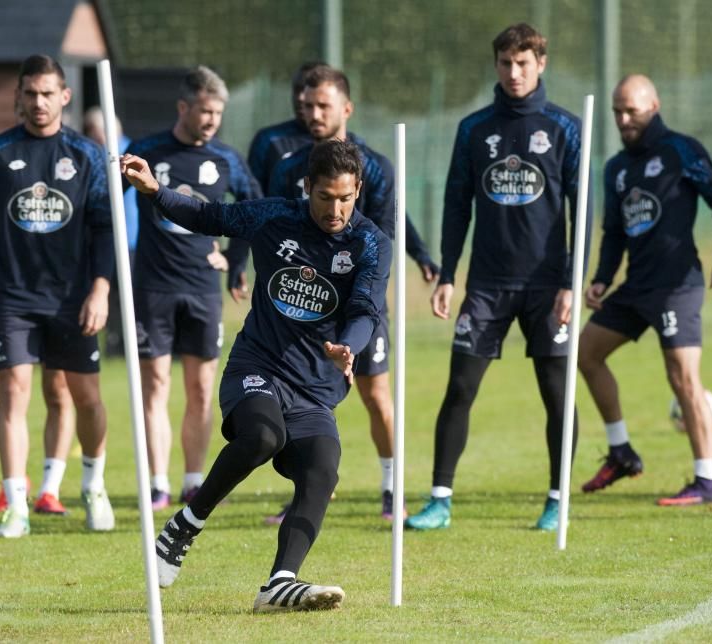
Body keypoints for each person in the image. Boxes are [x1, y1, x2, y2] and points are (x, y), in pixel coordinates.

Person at [120, 139, 390, 611]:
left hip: (315, 388)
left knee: (323, 469)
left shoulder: (370, 242)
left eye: (346, 198)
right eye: (326, 197)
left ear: (358, 190)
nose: (335, 209)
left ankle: (280, 583)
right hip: (258, 367)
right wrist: (154, 191)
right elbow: (210, 218)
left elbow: (367, 307)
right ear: (309, 188)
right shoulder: (275, 217)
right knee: (263, 436)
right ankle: (187, 522)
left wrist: (350, 345)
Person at [404, 23, 586, 533]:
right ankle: (440, 499)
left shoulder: (566, 128)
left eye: (523, 63)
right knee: (460, 387)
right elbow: (456, 204)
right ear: (496, 65)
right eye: (505, 63)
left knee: (556, 392)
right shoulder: (474, 128)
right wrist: (447, 272)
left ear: (541, 63)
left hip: (548, 287)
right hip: (486, 285)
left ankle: (556, 498)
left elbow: (582, 208)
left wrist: (572, 281)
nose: (514, 73)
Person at [268, 64, 439, 521]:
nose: (313, 114)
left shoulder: (375, 167)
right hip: (306, 303)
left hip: (360, 302)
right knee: (302, 399)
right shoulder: (294, 167)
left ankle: (390, 487)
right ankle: (306, 489)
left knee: (375, 394)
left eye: (323, 105)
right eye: (306, 106)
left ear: (346, 107)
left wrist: (422, 258)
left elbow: (388, 228)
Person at [0, 54, 115, 537]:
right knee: (13, 393)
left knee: (84, 396)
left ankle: (93, 485)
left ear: (65, 96)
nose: (38, 103)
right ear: (19, 96)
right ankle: (17, 504)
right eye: (30, 94)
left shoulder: (87, 155)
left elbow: (104, 229)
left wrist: (100, 289)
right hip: (13, 295)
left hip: (72, 297)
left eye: (48, 94)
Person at [577, 74, 712, 506]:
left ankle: (707, 482)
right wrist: (601, 279)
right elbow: (614, 232)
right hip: (636, 287)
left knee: (683, 377)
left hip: (677, 285)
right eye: (617, 111)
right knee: (585, 353)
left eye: (632, 110)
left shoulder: (681, 150)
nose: (623, 119)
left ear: (654, 105)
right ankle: (621, 451)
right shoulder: (616, 168)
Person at [125, 66, 262, 511]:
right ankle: (157, 483)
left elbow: (252, 210)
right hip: (153, 287)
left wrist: (235, 261)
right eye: (204, 111)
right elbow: (107, 206)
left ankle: (193, 479)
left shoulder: (225, 159)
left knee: (202, 387)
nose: (211, 121)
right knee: (155, 384)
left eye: (218, 113)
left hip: (203, 287)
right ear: (184, 107)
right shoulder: (146, 151)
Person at [0, 295, 76, 515]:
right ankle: (16, 478)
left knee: (58, 389)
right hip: (7, 298)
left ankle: (50, 490)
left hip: (56, 297)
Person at [83, 106, 140, 357]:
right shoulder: (97, 155)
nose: (94, 139)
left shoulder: (129, 154)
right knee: (110, 292)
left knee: (128, 295)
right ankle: (114, 344)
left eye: (95, 133)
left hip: (131, 239)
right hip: (108, 239)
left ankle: (128, 345)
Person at [247, 62, 324, 192]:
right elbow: (253, 199)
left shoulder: (354, 148)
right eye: (297, 89)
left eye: (308, 89)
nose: (300, 98)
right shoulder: (268, 140)